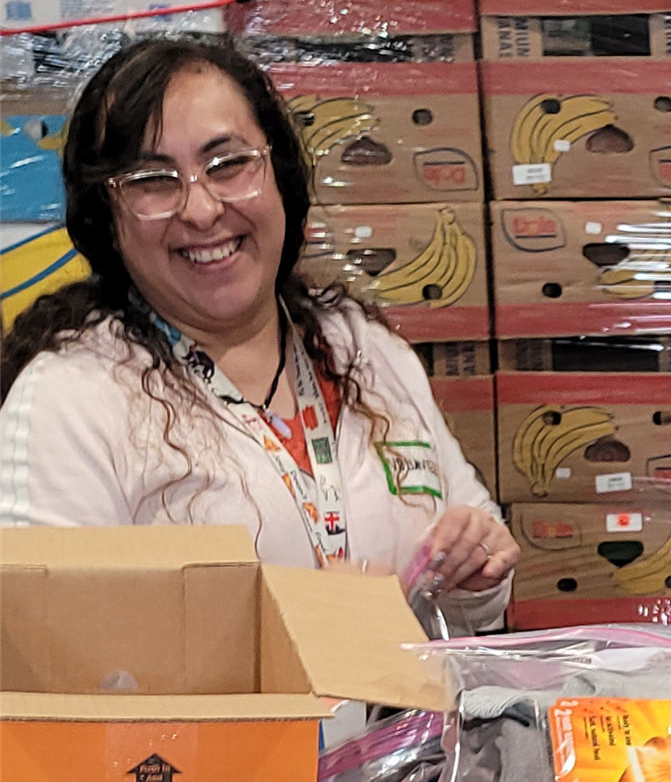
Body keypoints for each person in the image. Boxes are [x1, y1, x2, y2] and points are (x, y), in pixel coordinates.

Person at [0, 39, 519, 632]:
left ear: (279, 176)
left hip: (409, 727)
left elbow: (472, 598)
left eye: (228, 164)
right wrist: (299, 631)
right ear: (107, 218)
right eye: (152, 180)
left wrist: (475, 569)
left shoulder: (363, 350)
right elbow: (51, 655)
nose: (200, 209)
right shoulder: (67, 400)